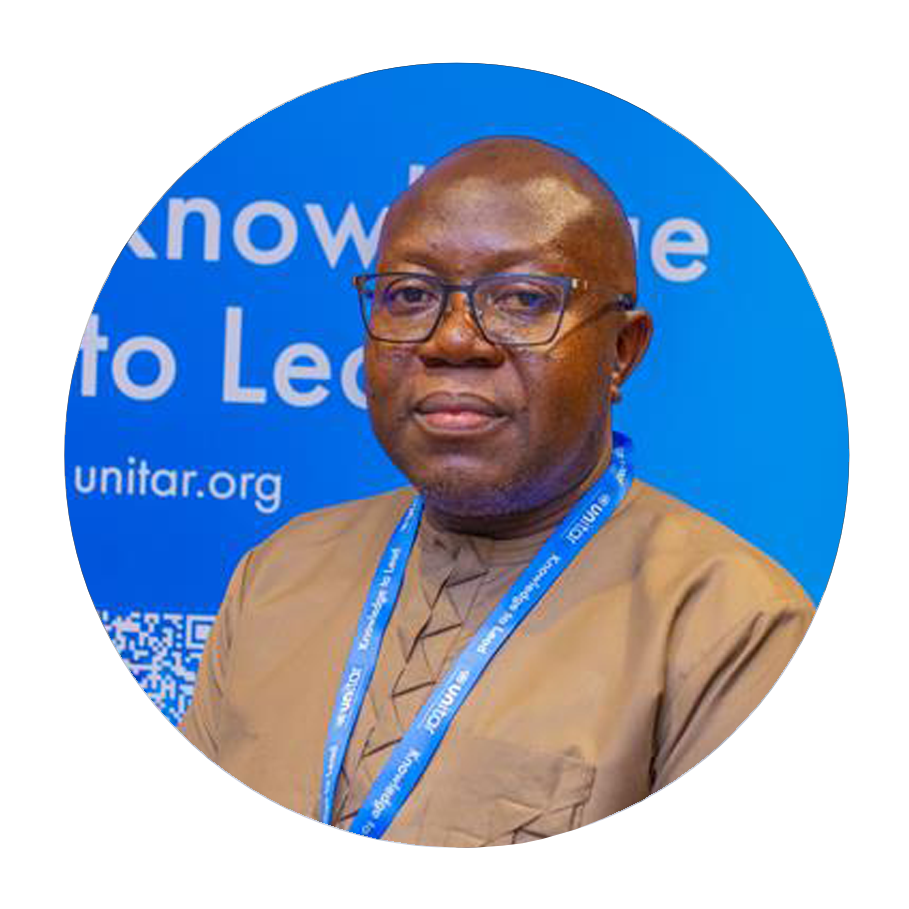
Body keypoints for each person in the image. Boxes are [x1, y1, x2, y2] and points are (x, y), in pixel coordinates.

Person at [181, 136, 814, 846]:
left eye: (522, 299)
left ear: (621, 352)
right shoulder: (276, 575)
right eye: (410, 295)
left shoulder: (732, 628)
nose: (454, 341)